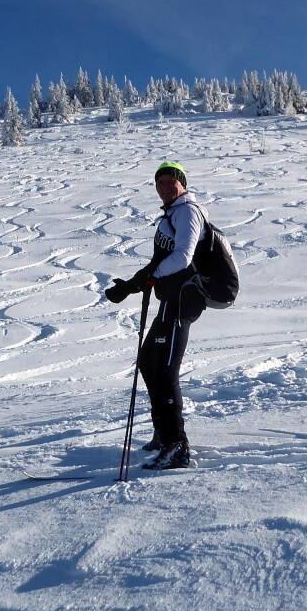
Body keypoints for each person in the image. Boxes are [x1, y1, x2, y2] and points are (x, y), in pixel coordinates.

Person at [105, 161, 210, 470]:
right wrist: (131, 286)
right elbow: (159, 261)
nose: (165, 187)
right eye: (160, 182)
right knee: (149, 363)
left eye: (171, 182)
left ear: (183, 184)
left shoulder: (188, 211)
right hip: (170, 300)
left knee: (165, 370)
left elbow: (182, 257)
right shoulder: (172, 214)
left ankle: (178, 445)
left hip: (182, 301)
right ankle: (164, 433)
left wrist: (149, 279)